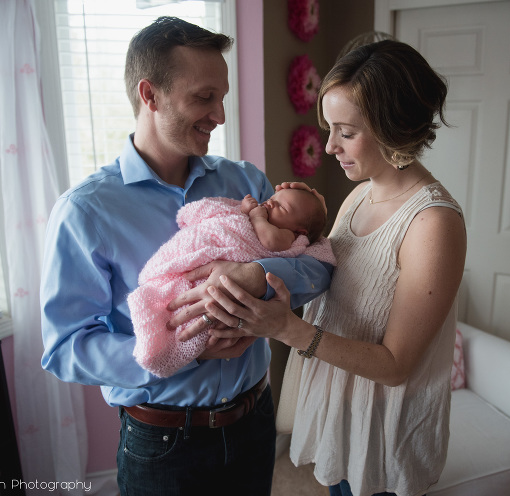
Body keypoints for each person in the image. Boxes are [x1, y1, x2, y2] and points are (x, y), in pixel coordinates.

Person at [39, 16, 333, 496]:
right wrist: (180, 354)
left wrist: (255, 274)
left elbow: (317, 264)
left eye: (222, 97)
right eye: (203, 98)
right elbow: (64, 348)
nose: (219, 115)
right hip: (162, 446)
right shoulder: (85, 212)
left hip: (254, 420)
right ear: (149, 95)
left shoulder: (246, 183)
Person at [197, 39, 467, 496]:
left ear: (392, 127)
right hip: (342, 420)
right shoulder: (359, 195)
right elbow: (333, 286)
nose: (327, 147)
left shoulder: (432, 223)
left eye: (346, 131)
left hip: (383, 435)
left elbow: (397, 365)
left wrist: (287, 329)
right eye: (329, 128)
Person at [129, 188, 335, 378]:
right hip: (156, 409)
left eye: (281, 206)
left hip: (253, 398)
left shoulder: (286, 235)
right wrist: (243, 210)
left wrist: (255, 274)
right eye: (272, 199)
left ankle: (163, 344)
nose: (270, 203)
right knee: (165, 298)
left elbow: (274, 244)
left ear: (300, 232)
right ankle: (158, 337)